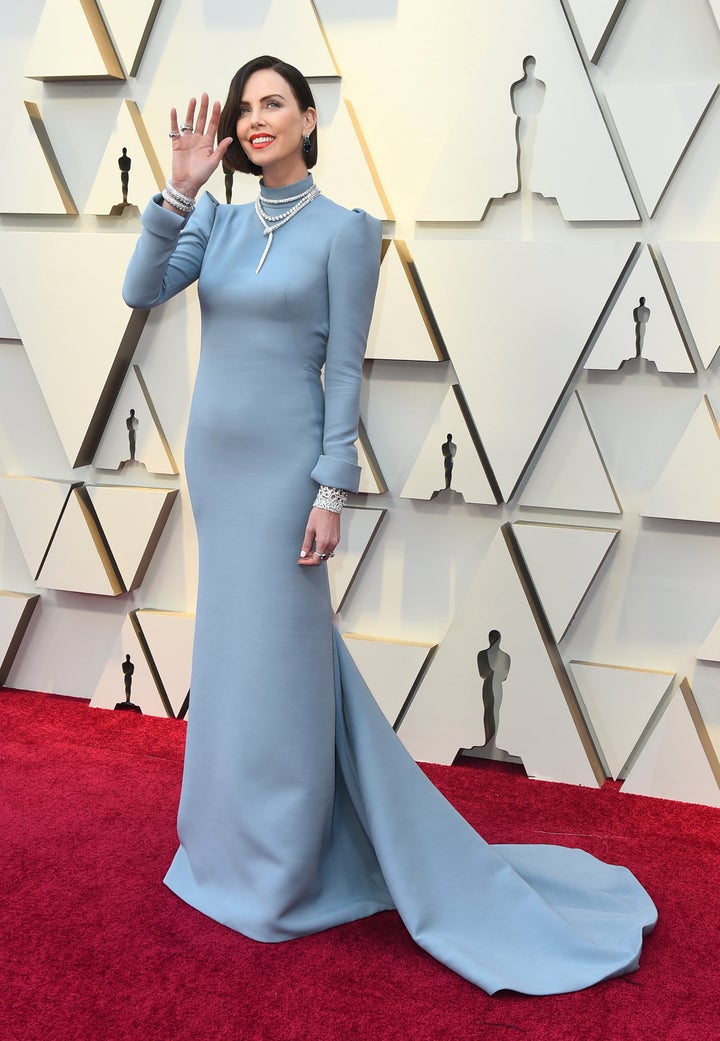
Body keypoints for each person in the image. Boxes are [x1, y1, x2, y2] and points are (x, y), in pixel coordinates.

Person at [122, 55, 656, 996]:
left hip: (288, 470)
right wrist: (179, 187)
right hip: (217, 464)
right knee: (234, 653)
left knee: (284, 658)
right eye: (244, 108)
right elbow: (141, 290)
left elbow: (344, 371)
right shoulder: (218, 215)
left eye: (273, 104)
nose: (255, 120)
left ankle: (283, 867)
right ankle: (221, 845)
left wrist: (333, 489)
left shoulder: (346, 230)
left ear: (309, 117)